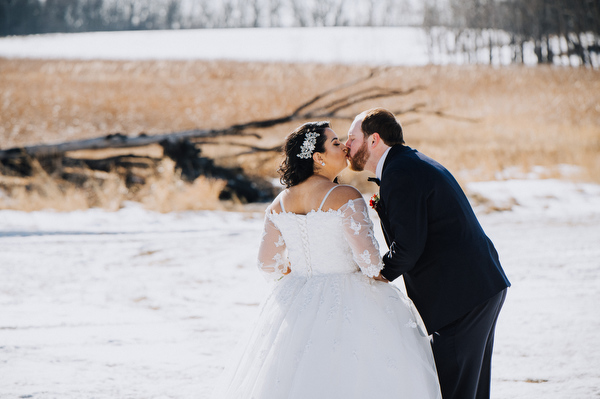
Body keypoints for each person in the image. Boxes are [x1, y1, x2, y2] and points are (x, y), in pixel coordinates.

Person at [212, 121, 441, 399]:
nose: (344, 146)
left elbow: (266, 263)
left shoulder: (279, 203)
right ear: (318, 158)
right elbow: (369, 264)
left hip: (297, 298)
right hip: (352, 298)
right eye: (335, 143)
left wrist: (297, 275)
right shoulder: (345, 196)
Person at [345, 108, 511, 399]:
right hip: (476, 287)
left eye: (351, 138)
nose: (347, 146)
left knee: (452, 390)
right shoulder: (405, 164)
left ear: (373, 140)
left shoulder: (401, 171)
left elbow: (408, 247)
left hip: (461, 296)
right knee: (470, 389)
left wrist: (375, 276)